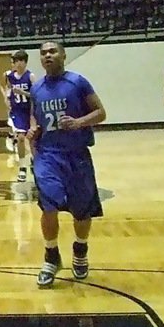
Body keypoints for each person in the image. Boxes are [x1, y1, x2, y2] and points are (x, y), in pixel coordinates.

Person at [29, 41, 107, 289]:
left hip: (76, 154)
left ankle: (80, 249)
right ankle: (51, 256)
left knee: (82, 210)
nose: (47, 56)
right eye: (43, 53)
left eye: (52, 51)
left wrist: (78, 122)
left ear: (63, 55)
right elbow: (35, 116)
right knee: (48, 205)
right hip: (48, 155)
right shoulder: (37, 88)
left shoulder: (78, 82)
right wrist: (33, 129)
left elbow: (101, 113)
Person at [2, 50, 34, 182]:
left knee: (32, 139)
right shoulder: (8, 76)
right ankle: (22, 168)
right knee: (21, 138)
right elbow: (2, 85)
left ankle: (34, 159)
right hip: (17, 111)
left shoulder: (30, 76)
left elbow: (35, 95)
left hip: (29, 110)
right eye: (17, 61)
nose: (20, 64)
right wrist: (6, 97)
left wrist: (22, 92)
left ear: (25, 63)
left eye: (22, 61)